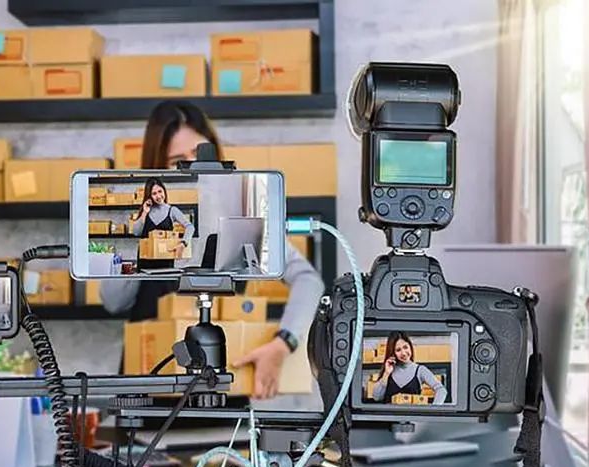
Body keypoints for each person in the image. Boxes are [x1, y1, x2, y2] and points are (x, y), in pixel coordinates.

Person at [102, 100, 325, 400]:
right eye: (177, 161)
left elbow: (308, 280)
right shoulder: (142, 212)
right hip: (148, 388)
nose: (192, 166)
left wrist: (283, 344)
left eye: (199, 153)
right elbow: (112, 301)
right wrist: (140, 236)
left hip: (220, 389)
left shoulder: (243, 208)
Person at [372, 332, 447, 404]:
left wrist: (433, 410)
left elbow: (441, 390)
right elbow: (377, 397)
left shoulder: (420, 370)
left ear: (410, 347)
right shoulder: (388, 370)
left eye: (405, 347)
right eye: (398, 350)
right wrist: (386, 373)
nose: (403, 353)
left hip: (413, 413)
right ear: (393, 353)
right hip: (389, 413)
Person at [133, 177, 195, 264]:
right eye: (154, 193)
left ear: (164, 191)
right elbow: (136, 232)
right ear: (149, 196)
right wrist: (144, 212)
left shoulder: (172, 210)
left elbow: (190, 227)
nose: (158, 196)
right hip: (145, 262)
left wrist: (183, 243)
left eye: (160, 191)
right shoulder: (146, 210)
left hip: (166, 261)